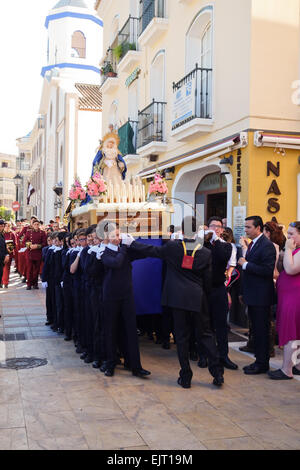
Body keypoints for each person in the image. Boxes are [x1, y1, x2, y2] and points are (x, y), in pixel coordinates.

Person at [130, 216, 224, 388]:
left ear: (183, 230)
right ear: (196, 231)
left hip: (177, 298)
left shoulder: (173, 248)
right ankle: (217, 374)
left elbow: (151, 250)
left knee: (181, 337)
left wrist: (132, 243)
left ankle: (186, 376)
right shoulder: (205, 252)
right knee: (206, 335)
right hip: (197, 298)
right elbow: (208, 280)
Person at [100, 223, 151, 378]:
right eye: (114, 235)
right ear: (107, 238)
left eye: (118, 234)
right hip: (110, 296)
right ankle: (110, 363)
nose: (117, 238)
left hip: (127, 295)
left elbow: (144, 254)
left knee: (130, 330)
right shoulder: (105, 252)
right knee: (111, 330)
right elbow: (117, 263)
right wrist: (124, 248)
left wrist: (134, 243)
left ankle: (135, 365)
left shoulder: (126, 250)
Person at [238, 216, 276, 375]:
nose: (245, 230)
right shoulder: (254, 244)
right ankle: (258, 360)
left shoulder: (266, 246)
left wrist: (245, 264)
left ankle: (262, 363)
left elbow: (267, 271)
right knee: (256, 330)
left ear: (258, 228)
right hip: (252, 294)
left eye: (248, 227)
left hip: (261, 296)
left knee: (261, 330)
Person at [203, 217, 238, 370]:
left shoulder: (227, 246)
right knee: (205, 324)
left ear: (222, 230)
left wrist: (216, 240)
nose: (215, 228)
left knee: (221, 324)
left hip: (219, 288)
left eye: (218, 226)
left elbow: (225, 259)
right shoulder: (201, 244)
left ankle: (223, 355)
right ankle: (204, 355)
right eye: (212, 226)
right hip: (203, 290)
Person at [268, 221, 300, 380]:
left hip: (295, 297)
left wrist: (288, 249)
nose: (289, 236)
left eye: (292, 233)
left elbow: (291, 269)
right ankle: (297, 365)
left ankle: (287, 369)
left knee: (291, 333)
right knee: (295, 332)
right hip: (289, 295)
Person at [23, 220, 47, 290]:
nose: (36, 225)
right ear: (32, 225)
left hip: (38, 253)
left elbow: (44, 243)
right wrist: (29, 245)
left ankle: (35, 283)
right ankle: (29, 284)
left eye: (37, 224)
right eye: (35, 224)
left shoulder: (42, 233)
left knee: (36, 270)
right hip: (30, 252)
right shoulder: (28, 232)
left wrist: (37, 246)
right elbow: (24, 241)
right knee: (29, 269)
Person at [1, 222, 16, 288]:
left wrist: (11, 248)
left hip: (9, 253)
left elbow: (15, 244)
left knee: (7, 268)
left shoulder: (12, 234)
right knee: (1, 268)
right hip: (2, 253)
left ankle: (6, 282)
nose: (7, 227)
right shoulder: (2, 233)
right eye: (5, 226)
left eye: (8, 226)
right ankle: (1, 282)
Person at [0, 220, 9, 291]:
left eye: (3, 226)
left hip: (2, 259)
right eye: (0, 226)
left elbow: (4, 246)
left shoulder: (2, 235)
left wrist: (7, 254)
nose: (1, 228)